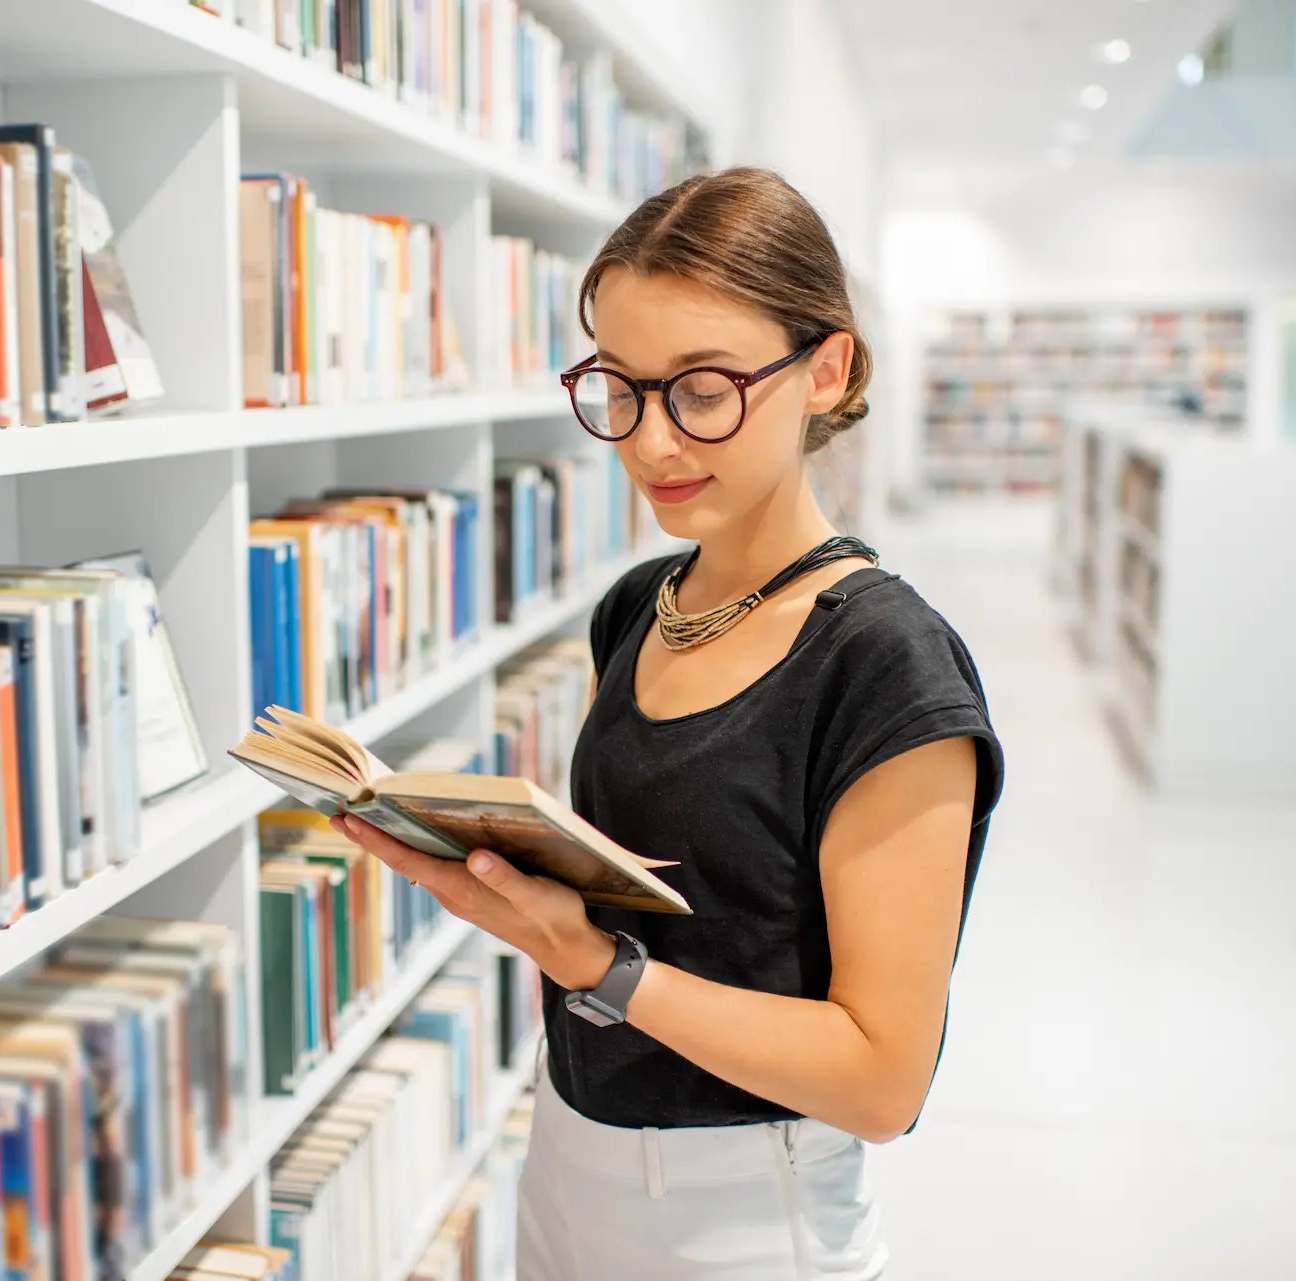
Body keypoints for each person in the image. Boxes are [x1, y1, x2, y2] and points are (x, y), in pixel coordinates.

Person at [332, 167, 1005, 1280]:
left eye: (702, 390)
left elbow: (882, 1080)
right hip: (566, 1161)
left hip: (746, 1216)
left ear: (826, 369)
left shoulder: (884, 664)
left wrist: (596, 965)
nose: (650, 444)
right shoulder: (639, 607)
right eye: (622, 388)